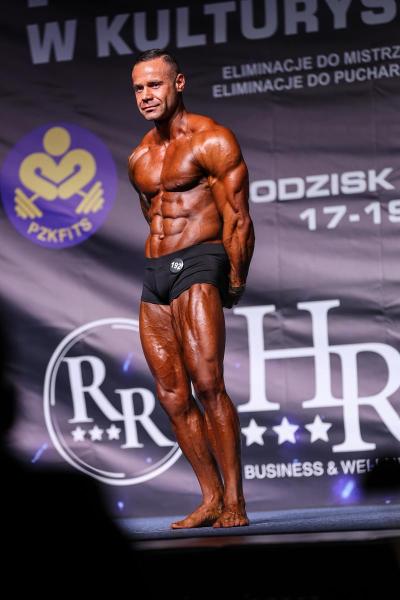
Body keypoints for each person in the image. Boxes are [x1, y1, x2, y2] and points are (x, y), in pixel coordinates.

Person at [128, 49, 255, 529]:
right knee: (172, 395)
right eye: (139, 88)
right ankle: (210, 497)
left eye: (154, 85)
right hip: (157, 270)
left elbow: (238, 218)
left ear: (178, 84)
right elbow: (153, 215)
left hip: (200, 259)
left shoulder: (213, 140)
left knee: (207, 384)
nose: (146, 95)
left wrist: (234, 279)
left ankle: (235, 501)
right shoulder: (139, 156)